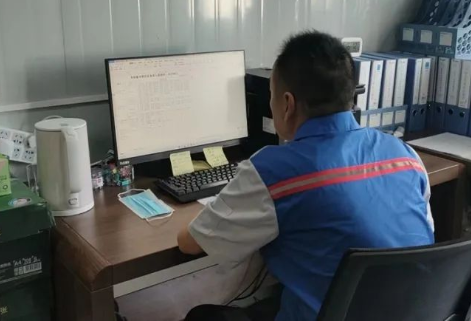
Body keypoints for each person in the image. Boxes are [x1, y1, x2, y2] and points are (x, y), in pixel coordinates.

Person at [177, 31, 435, 321]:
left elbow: (191, 243)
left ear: (287, 104)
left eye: (271, 96)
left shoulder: (273, 171)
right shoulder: (406, 156)